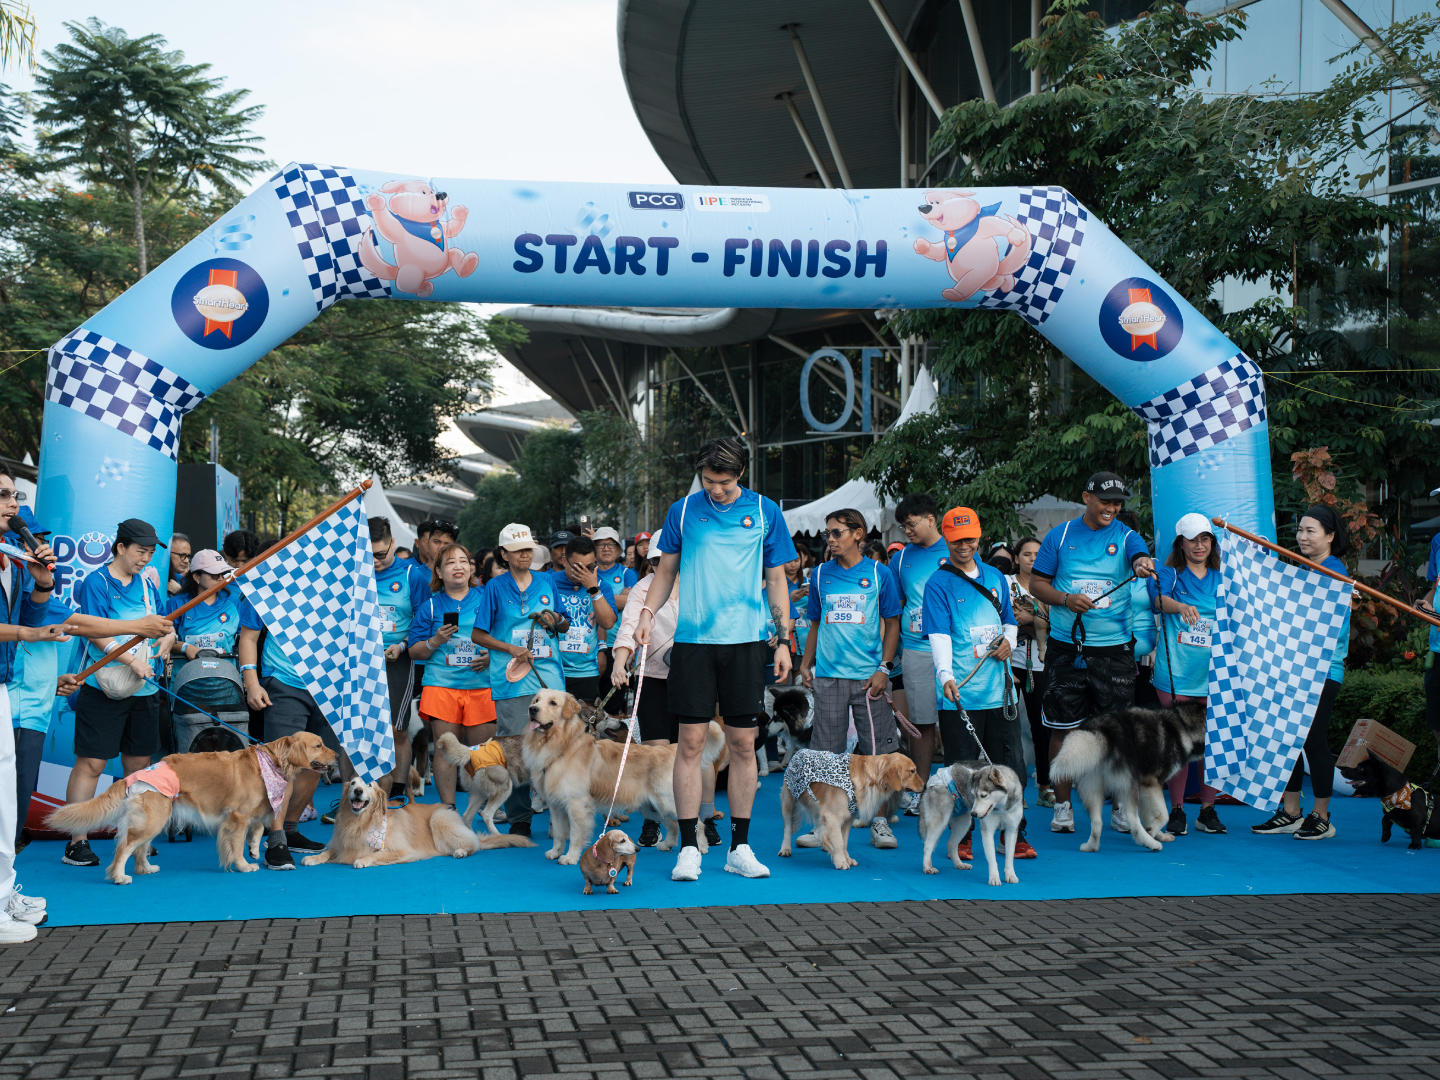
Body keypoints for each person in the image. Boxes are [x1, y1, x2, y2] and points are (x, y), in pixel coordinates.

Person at [637, 437, 796, 882]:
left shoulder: (765, 512)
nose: (716, 490)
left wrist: (782, 640)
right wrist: (648, 614)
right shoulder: (683, 511)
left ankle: (740, 847)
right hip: (693, 644)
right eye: (708, 481)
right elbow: (666, 571)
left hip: (746, 644)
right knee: (688, 745)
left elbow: (777, 579)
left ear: (740, 475)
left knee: (744, 745)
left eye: (724, 483)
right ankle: (689, 847)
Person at [1028, 472, 1155, 835]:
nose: (1112, 509)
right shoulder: (1061, 536)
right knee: (1062, 730)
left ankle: (1119, 808)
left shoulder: (1127, 535)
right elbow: (1038, 584)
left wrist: (1142, 564)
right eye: (1105, 502)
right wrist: (1066, 600)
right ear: (1087, 497)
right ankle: (1063, 805)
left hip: (1115, 651)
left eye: (1117, 503)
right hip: (1067, 648)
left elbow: (1138, 557)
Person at [61, 517, 179, 868]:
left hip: (143, 690)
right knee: (92, 763)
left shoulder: (146, 585)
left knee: (140, 764)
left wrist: (169, 639)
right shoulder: (95, 582)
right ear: (120, 547)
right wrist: (131, 661)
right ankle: (76, 840)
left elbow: (162, 624)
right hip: (104, 686)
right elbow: (92, 630)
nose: (145, 559)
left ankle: (134, 836)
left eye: (149, 553)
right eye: (139, 552)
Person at [922, 506, 1035, 860]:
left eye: (969, 538)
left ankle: (1015, 835)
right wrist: (946, 676)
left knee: (1011, 766)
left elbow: (1009, 621)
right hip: (961, 695)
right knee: (964, 771)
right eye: (956, 540)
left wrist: (1009, 642)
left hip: (999, 693)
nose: (963, 546)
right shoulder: (938, 583)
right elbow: (938, 635)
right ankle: (964, 835)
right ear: (946, 539)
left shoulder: (995, 577)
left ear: (979, 536)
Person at [797, 508, 904, 849]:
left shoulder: (879, 574)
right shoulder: (818, 575)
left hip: (867, 680)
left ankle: (880, 822)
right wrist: (806, 662)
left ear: (858, 534)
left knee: (877, 754)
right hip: (828, 678)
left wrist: (884, 669)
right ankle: (824, 824)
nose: (830, 540)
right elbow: (815, 622)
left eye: (837, 533)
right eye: (828, 533)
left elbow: (892, 624)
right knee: (825, 756)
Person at [237, 559, 345, 869]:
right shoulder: (265, 586)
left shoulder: (337, 586)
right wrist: (252, 682)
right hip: (284, 684)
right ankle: (274, 838)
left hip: (330, 689)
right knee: (279, 768)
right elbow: (249, 637)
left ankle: (290, 828)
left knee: (318, 763)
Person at [1252, 505, 1352, 840]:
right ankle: (1291, 810)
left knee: (1312, 740)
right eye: (1300, 530)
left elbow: (1325, 626)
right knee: (1286, 738)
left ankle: (1321, 815)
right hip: (1294, 668)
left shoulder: (1335, 572)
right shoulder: (1305, 569)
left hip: (1323, 670)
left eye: (1311, 531)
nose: (1302, 537)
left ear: (1330, 535)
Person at [471, 523, 565, 839]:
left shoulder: (547, 581)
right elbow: (477, 634)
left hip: (547, 678)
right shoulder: (495, 588)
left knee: (557, 747)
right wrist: (510, 647)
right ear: (505, 554)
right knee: (515, 748)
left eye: (528, 549)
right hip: (510, 679)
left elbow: (562, 624)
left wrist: (557, 621)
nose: (525, 555)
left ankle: (558, 816)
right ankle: (520, 817)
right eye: (518, 550)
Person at [1150, 512, 1226, 836]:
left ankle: (1207, 810)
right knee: (1180, 743)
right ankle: (1177, 809)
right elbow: (1157, 601)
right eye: (1193, 539)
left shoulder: (1222, 577)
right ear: (1181, 543)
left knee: (1214, 743)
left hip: (1214, 673)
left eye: (1205, 539)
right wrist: (1180, 607)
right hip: (1176, 672)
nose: (1200, 545)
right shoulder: (1171, 574)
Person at [408, 542, 495, 810]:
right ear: (439, 572)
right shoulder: (430, 606)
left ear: (471, 568)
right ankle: (447, 807)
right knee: (446, 750)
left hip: (481, 685)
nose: (458, 566)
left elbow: (504, 639)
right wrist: (435, 641)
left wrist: (493, 657)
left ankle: (484, 806)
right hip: (441, 687)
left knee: (480, 752)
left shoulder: (486, 598)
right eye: (449, 562)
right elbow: (414, 651)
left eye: (463, 561)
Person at [611, 547, 688, 847]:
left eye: (669, 559)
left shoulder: (698, 582)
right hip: (652, 680)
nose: (662, 564)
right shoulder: (642, 589)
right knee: (657, 754)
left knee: (690, 753)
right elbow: (628, 626)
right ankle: (653, 822)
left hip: (691, 680)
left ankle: (701, 822)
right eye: (656, 560)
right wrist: (620, 662)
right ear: (651, 563)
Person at [892, 493, 950, 812]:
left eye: (912, 524)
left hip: (955, 652)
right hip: (915, 650)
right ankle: (919, 788)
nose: (907, 531)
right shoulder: (901, 558)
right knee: (921, 723)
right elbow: (895, 605)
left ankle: (956, 787)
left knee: (954, 722)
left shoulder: (956, 551)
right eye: (903, 527)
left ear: (931, 519)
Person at [370, 516, 431, 796]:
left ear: (394, 543)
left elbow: (423, 620)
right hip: (363, 662)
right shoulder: (357, 574)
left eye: (381, 554)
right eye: (368, 555)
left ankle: (397, 789)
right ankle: (356, 791)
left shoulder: (412, 575)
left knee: (398, 729)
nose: (375, 561)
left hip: (399, 660)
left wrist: (403, 645)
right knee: (360, 731)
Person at [1008, 536, 1052, 806]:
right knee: (1009, 727)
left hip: (1039, 663)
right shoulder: (1006, 583)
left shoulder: (1048, 583)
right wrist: (1033, 617)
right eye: (1027, 554)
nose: (1033, 559)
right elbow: (1007, 615)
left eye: (1037, 554)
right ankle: (1013, 787)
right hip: (1011, 661)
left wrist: (1034, 616)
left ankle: (1044, 784)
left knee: (1041, 727)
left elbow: (1052, 615)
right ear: (1017, 558)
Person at [548, 534, 616, 702]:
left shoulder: (601, 586)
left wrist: (592, 588)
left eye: (590, 566)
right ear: (565, 561)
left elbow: (607, 622)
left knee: (583, 725)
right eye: (578, 567)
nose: (585, 572)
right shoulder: (548, 582)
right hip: (553, 669)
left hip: (586, 671)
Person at [169, 549, 242, 658]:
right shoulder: (177, 603)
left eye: (223, 574)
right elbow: (164, 639)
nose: (221, 579)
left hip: (226, 673)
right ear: (196, 577)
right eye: (215, 575)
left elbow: (244, 638)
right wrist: (186, 647)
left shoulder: (233, 601)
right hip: (188, 673)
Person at [592, 527, 635, 681]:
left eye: (611, 544)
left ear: (618, 550)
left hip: (619, 644)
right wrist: (619, 599)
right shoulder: (588, 573)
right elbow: (623, 601)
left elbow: (632, 603)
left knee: (614, 698)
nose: (606, 548)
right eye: (601, 544)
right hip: (592, 645)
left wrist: (598, 600)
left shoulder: (627, 573)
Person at [1418, 490, 1440, 783]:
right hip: (1437, 647)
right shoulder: (1438, 541)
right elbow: (1435, 585)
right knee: (1436, 717)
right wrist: (1425, 604)